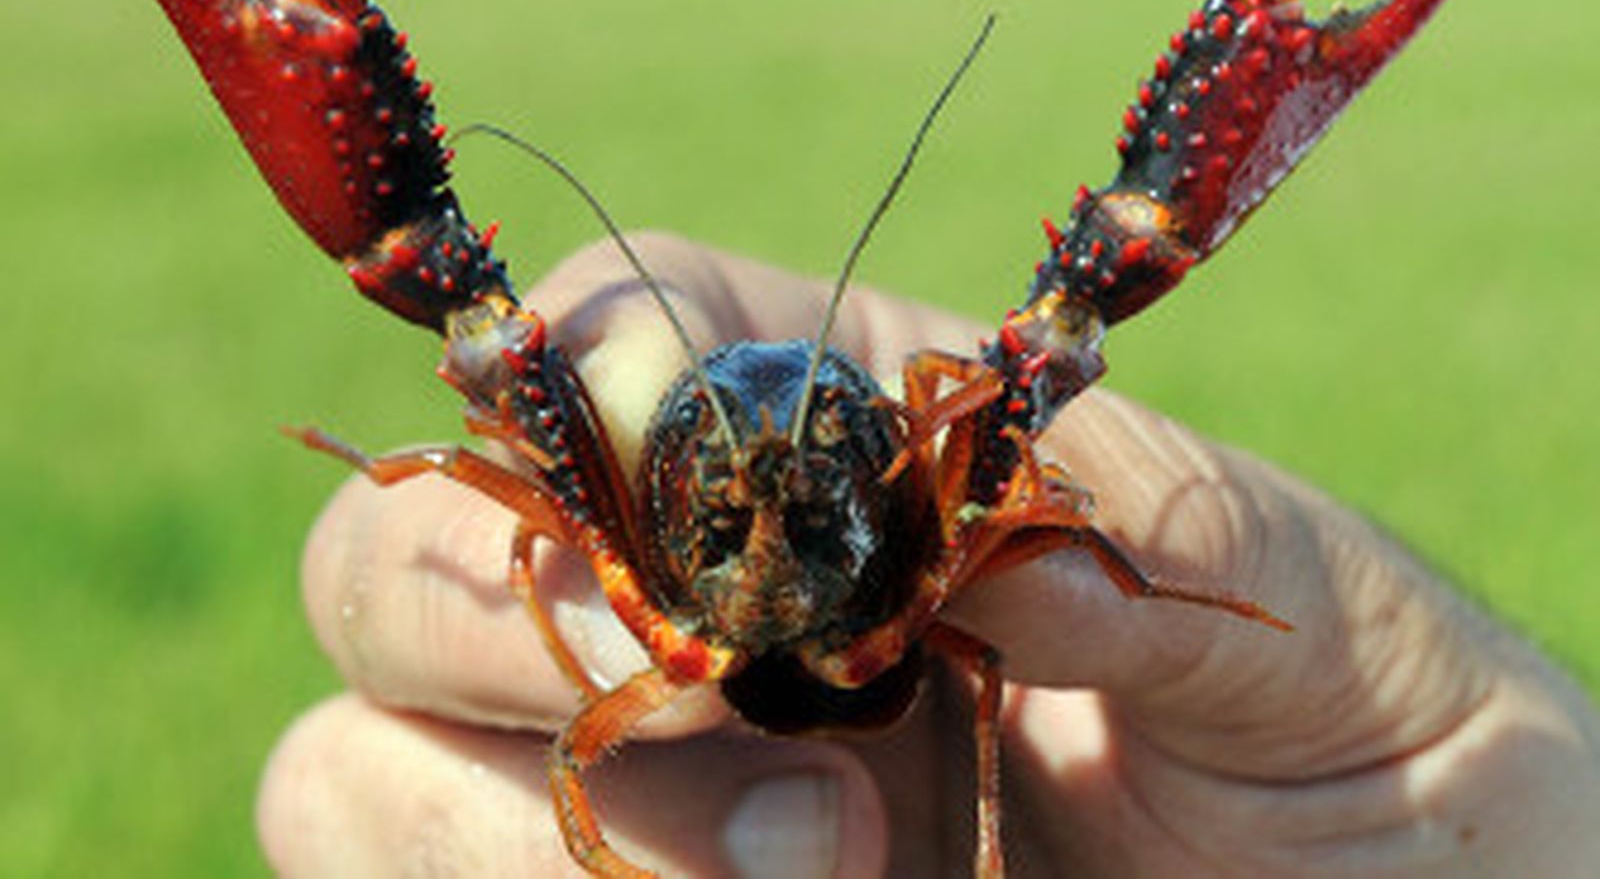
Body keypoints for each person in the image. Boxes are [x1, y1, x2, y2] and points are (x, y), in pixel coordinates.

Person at [256, 235, 1600, 876]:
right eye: (727, 475)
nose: (764, 501)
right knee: (553, 718)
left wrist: (1103, 535)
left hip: (901, 657)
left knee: (1024, 568)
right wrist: (411, 481)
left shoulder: (920, 518)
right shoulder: (614, 513)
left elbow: (1014, 444)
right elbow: (472, 456)